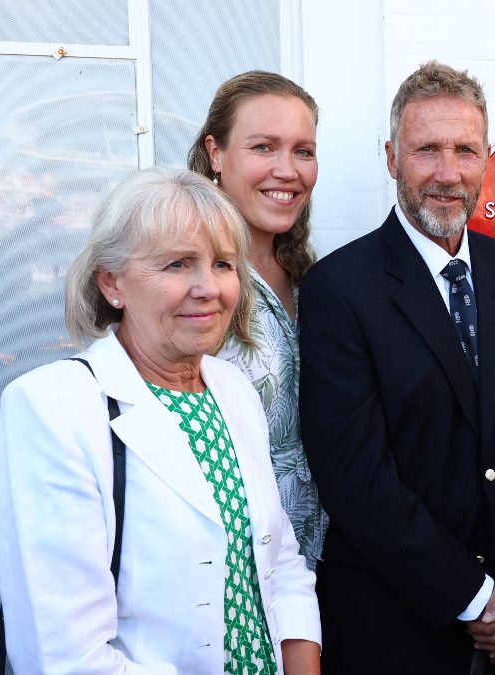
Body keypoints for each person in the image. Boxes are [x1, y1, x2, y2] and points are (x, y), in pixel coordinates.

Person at [298, 61, 495, 675]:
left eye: (464, 151)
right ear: (392, 156)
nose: (447, 175)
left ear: (488, 158)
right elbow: (356, 479)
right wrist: (475, 600)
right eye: (426, 151)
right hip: (393, 631)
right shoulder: (338, 290)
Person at [0, 167, 321, 674]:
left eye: (224, 264)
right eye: (177, 265)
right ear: (112, 282)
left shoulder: (232, 389)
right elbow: (65, 659)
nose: (208, 288)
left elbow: (281, 566)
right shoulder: (53, 407)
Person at [187, 71, 327, 569]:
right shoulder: (188, 278)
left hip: (312, 570)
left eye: (303, 151)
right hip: (225, 572)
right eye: (264, 147)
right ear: (216, 153)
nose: (287, 170)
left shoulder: (309, 275)